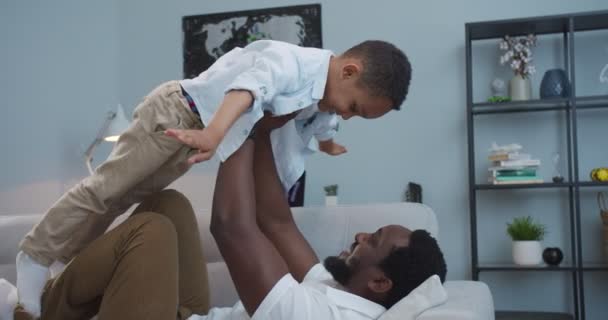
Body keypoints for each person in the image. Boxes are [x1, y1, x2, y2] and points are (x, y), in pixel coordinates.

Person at [16, 39, 413, 317]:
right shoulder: (292, 65)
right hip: (179, 114)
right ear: (348, 71)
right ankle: (34, 254)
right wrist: (216, 134)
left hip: (193, 135)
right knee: (106, 191)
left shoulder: (325, 95)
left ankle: (65, 262)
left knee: (125, 198)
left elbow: (324, 122)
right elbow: (246, 92)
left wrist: (328, 144)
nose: (346, 115)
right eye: (354, 108)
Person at [5, 114, 445, 320]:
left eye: (375, 240)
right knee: (171, 206)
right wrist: (268, 129)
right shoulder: (338, 291)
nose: (363, 235)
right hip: (190, 315)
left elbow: (233, 228)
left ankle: (43, 309)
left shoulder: (325, 319)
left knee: (151, 232)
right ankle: (58, 297)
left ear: (381, 283)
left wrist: (243, 121)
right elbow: (277, 222)